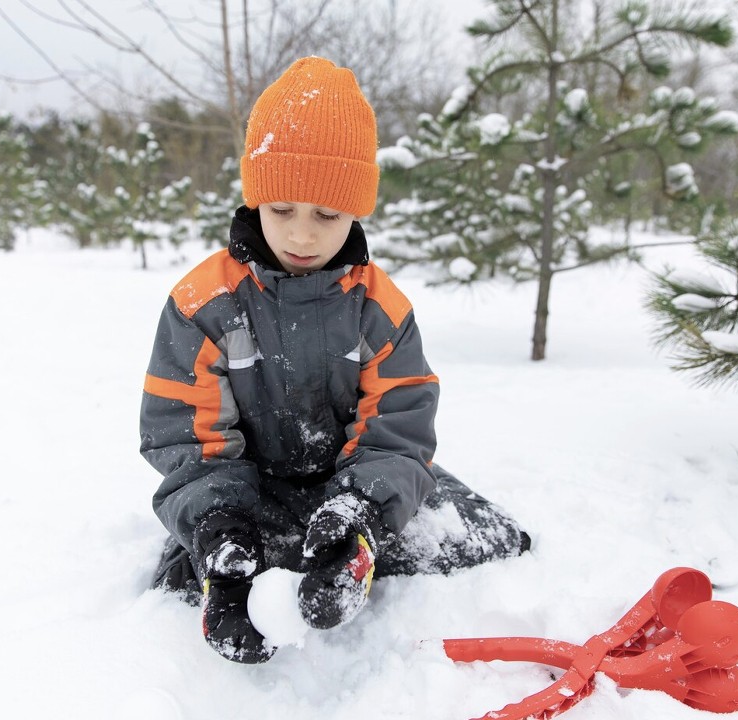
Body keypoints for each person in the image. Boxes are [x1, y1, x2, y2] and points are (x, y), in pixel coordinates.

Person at [140, 56, 530, 664]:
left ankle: (354, 540)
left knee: (463, 537)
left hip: (351, 482)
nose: (301, 236)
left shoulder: (380, 308)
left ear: (355, 211)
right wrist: (220, 529)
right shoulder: (203, 305)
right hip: (250, 490)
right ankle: (230, 550)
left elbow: (399, 431)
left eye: (326, 215)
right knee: (207, 566)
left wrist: (361, 514)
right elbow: (185, 437)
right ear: (256, 200)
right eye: (282, 211)